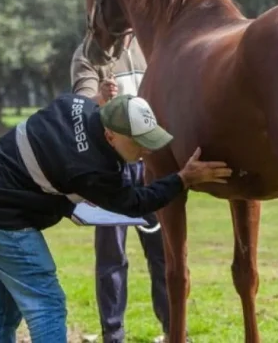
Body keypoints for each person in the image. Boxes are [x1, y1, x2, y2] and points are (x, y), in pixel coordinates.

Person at [0, 92, 232, 343]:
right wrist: (183, 179)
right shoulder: (93, 169)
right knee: (47, 303)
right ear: (110, 135)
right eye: (139, 143)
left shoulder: (76, 103)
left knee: (3, 310)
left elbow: (61, 145)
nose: (147, 150)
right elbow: (136, 202)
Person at [71, 35, 177, 343]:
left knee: (162, 252)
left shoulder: (151, 44)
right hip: (110, 165)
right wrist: (100, 100)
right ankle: (113, 336)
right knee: (111, 256)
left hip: (152, 160)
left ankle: (174, 330)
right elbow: (81, 104)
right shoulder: (90, 53)